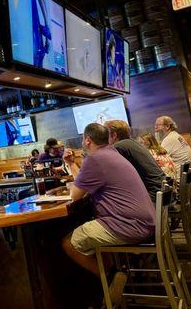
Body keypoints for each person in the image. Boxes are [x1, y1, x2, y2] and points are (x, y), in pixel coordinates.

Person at [62, 123, 155, 306]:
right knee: (93, 234)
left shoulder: (95, 158)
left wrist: (72, 164)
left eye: (83, 139)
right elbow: (84, 186)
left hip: (130, 225)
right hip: (144, 221)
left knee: (69, 243)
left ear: (87, 140)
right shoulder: (111, 153)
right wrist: (72, 164)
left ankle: (111, 278)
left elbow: (75, 195)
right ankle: (110, 279)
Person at [104, 120, 164, 202]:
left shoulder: (119, 147)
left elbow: (110, 175)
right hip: (162, 191)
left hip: (153, 195)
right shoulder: (133, 143)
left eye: (105, 134)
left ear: (114, 135)